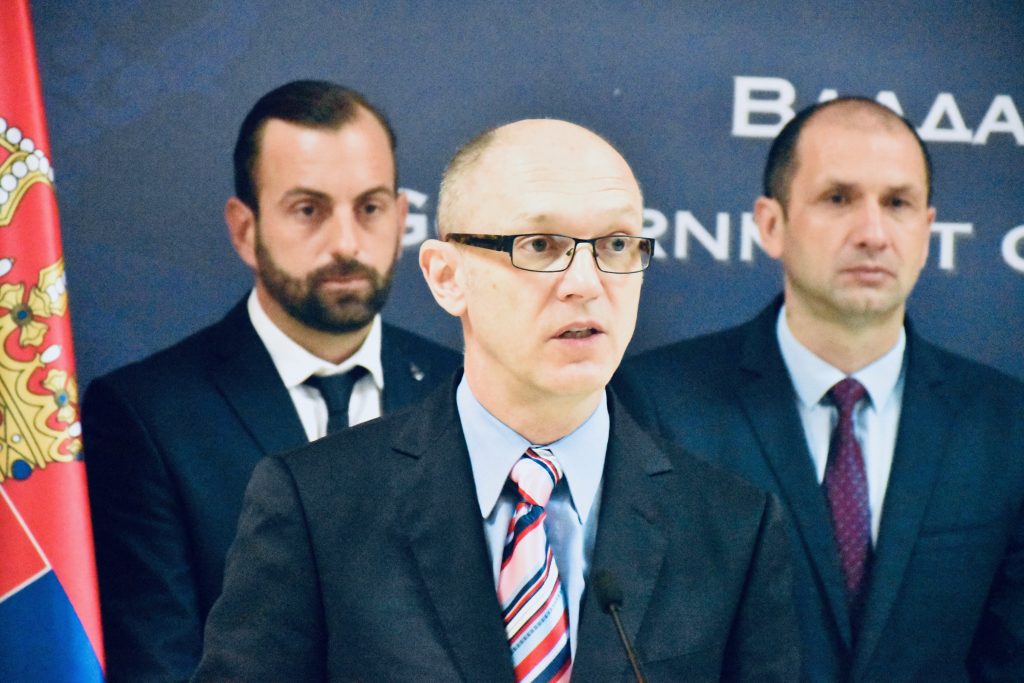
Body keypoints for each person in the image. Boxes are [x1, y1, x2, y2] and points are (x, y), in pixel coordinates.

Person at [193, 118, 800, 681]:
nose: (585, 283)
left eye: (616, 245)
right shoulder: (318, 506)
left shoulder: (732, 527)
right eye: (540, 246)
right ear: (446, 276)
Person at [615, 97, 1024, 680]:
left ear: (928, 230)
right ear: (771, 224)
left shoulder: (1005, 424)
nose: (873, 233)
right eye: (838, 199)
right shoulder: (660, 406)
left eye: (898, 203)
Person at [82, 80, 461, 682]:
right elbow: (160, 665)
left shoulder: (462, 389)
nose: (346, 243)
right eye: (308, 210)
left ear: (400, 218)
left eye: (369, 208)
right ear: (244, 229)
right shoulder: (147, 416)